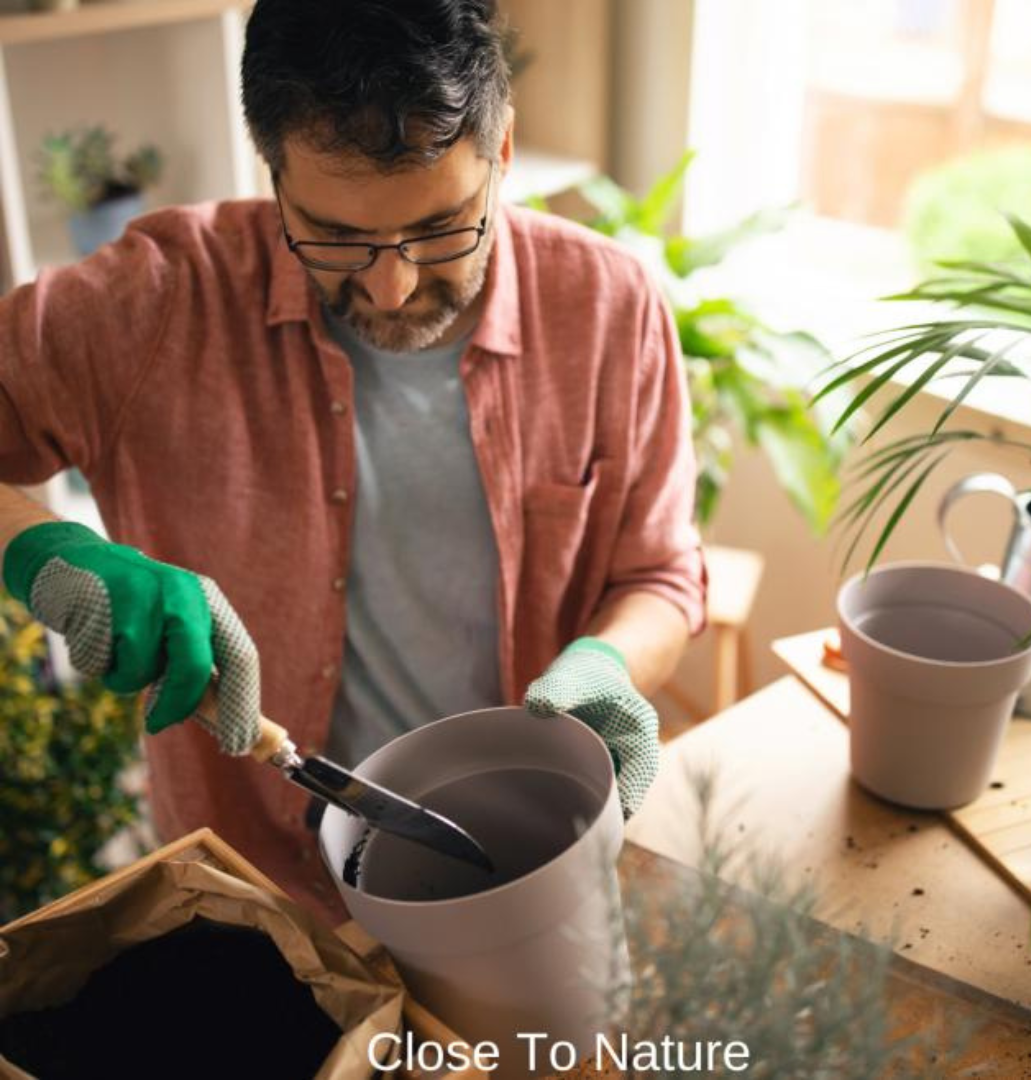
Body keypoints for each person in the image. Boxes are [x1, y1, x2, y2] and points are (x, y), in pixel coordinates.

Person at [0, 0, 706, 923]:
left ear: (502, 153)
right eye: (334, 236)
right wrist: (50, 555)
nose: (393, 284)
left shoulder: (610, 307)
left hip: (529, 877)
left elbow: (658, 571)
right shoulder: (160, 299)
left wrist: (609, 663)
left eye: (444, 226)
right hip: (253, 901)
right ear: (276, 174)